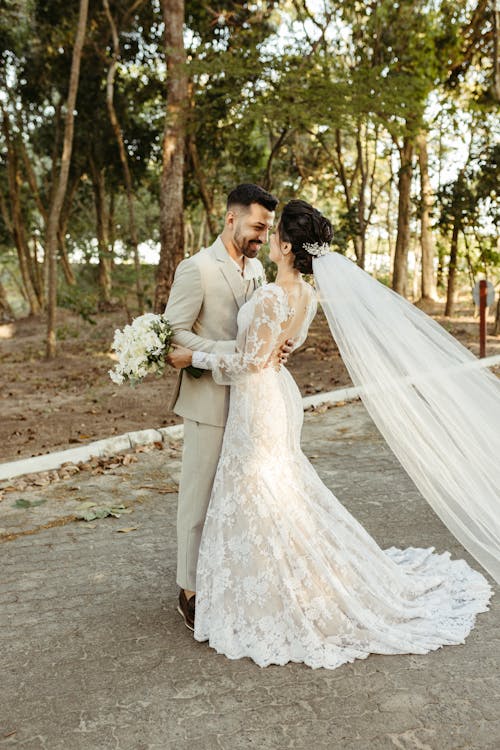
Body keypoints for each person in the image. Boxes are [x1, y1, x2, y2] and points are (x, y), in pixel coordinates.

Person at [167, 198, 495, 670]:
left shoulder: (269, 295)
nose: (267, 238)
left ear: (284, 244)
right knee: (278, 487)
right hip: (278, 395)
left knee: (257, 487)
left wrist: (190, 358)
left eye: (272, 231)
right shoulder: (306, 296)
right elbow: (279, 350)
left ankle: (261, 587)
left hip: (257, 401)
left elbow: (250, 361)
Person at [164, 183, 293, 631]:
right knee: (197, 502)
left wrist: (274, 347)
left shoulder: (257, 270)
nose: (262, 236)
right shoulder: (196, 269)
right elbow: (174, 332)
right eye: (257, 227)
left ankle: (223, 579)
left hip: (249, 406)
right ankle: (188, 590)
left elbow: (258, 333)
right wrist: (232, 354)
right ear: (231, 219)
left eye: (267, 229)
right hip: (208, 403)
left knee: (235, 500)